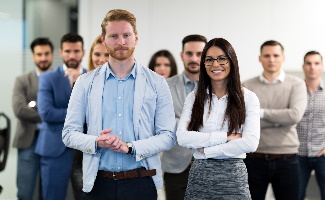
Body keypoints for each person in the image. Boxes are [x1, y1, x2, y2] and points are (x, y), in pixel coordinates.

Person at [62, 9, 176, 200]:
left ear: (136, 38)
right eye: (114, 36)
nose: (121, 42)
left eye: (126, 35)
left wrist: (130, 147)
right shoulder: (85, 82)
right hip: (98, 184)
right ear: (103, 40)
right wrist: (96, 143)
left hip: (141, 182)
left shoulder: (157, 82)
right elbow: (68, 134)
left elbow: (169, 136)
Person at [177, 38, 260, 199]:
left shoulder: (248, 98)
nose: (215, 64)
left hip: (233, 177)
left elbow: (250, 143)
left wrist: (208, 151)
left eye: (222, 58)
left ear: (231, 61)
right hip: (200, 177)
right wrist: (226, 137)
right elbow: (182, 137)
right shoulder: (193, 98)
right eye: (209, 59)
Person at [243, 40, 307, 200]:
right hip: (254, 158)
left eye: (276, 55)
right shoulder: (247, 85)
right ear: (260, 58)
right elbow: (244, 121)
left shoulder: (297, 84)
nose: (271, 59)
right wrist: (281, 118)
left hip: (287, 158)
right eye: (267, 55)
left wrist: (261, 113)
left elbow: (294, 116)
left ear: (283, 58)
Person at [36, 33, 86, 200]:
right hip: (54, 149)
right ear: (60, 52)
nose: (72, 55)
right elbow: (46, 113)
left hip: (87, 151)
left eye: (76, 51)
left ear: (83, 52)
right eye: (68, 51)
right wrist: (80, 114)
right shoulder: (47, 78)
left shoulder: (93, 77)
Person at [160, 34, 207, 200]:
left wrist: (181, 125)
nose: (194, 58)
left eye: (199, 54)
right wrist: (197, 125)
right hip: (175, 165)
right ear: (182, 55)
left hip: (209, 165)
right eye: (189, 53)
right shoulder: (164, 86)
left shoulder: (218, 87)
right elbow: (161, 122)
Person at [12, 37, 53, 200]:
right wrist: (51, 114)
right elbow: (19, 110)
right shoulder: (22, 80)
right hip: (29, 141)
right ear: (33, 56)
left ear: (52, 54)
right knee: (25, 192)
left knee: (49, 192)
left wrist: (33, 108)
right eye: (39, 54)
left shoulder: (61, 78)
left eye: (46, 54)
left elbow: (67, 112)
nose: (43, 58)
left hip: (53, 141)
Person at [71, 35, 109, 200]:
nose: (100, 59)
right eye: (97, 54)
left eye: (106, 55)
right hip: (84, 157)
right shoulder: (80, 84)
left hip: (110, 157)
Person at [297, 51, 325, 200]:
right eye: (308, 63)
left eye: (316, 63)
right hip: (298, 153)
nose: (312, 67)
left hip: (322, 154)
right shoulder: (295, 91)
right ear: (303, 66)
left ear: (321, 66)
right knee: (296, 195)